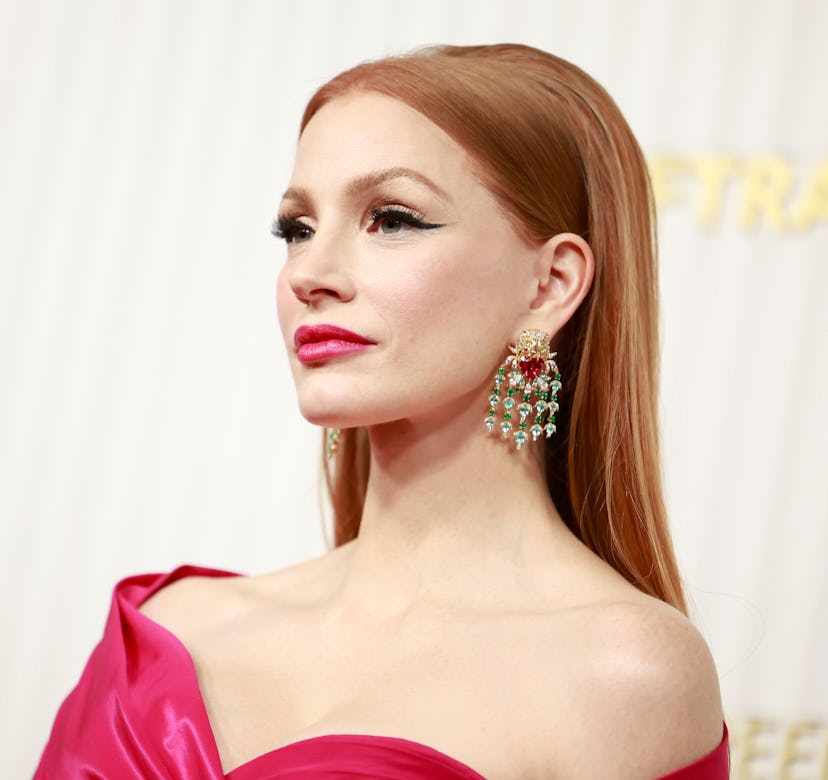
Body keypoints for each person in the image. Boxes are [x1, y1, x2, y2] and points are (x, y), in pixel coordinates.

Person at [36, 44, 728, 779]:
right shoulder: (165, 631)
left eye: (391, 219)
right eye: (297, 229)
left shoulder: (622, 673)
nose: (309, 274)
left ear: (550, 284)